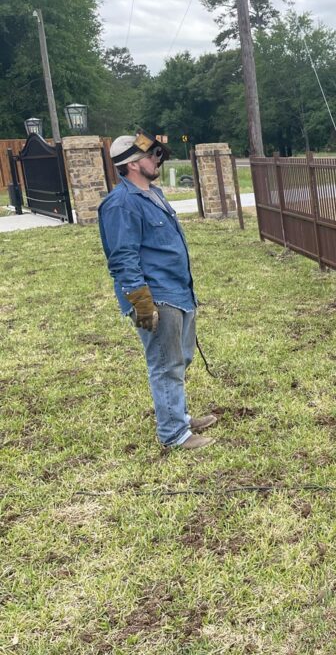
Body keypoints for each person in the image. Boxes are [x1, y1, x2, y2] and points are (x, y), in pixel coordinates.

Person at [98, 131, 217, 450]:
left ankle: (179, 416)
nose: (157, 160)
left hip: (178, 291)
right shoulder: (121, 204)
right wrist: (141, 303)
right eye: (151, 156)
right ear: (133, 164)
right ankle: (174, 434)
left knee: (180, 358)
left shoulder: (154, 194)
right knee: (165, 364)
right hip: (155, 296)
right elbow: (122, 258)